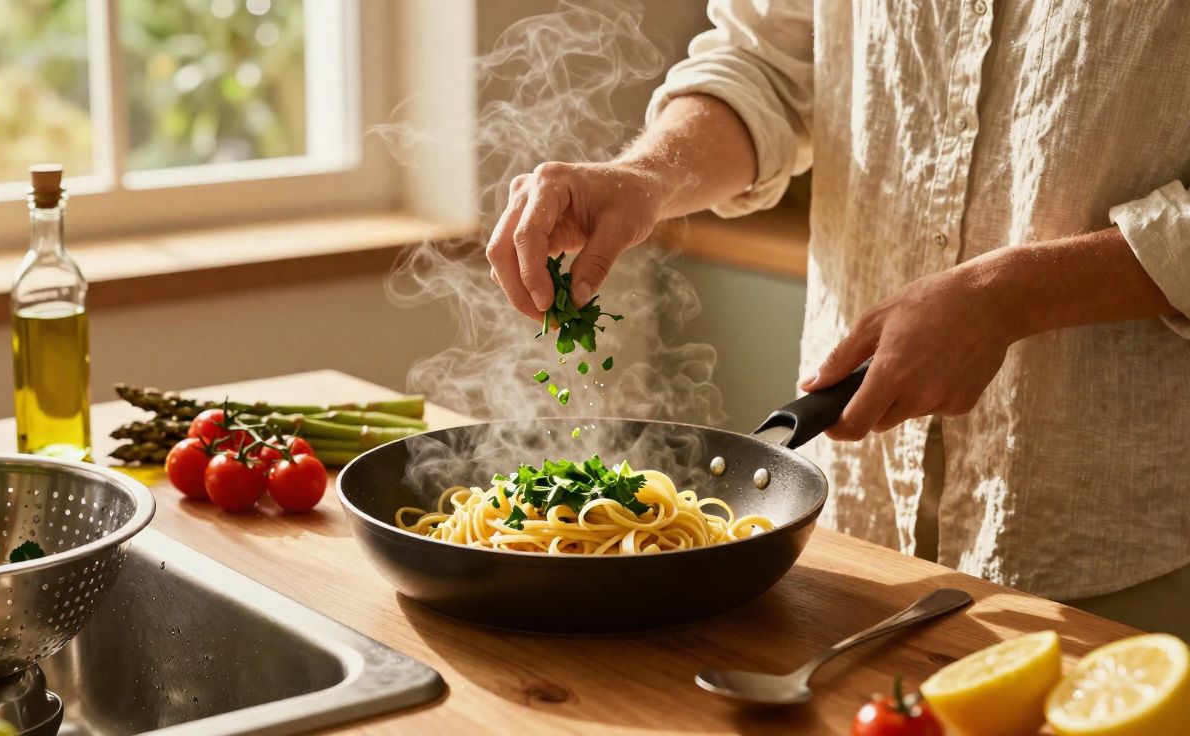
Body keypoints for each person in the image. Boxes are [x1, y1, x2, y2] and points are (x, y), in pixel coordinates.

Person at [484, 0, 1190, 636]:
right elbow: (765, 64)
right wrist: (648, 176)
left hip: (1114, 535)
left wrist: (1010, 296)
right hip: (858, 515)